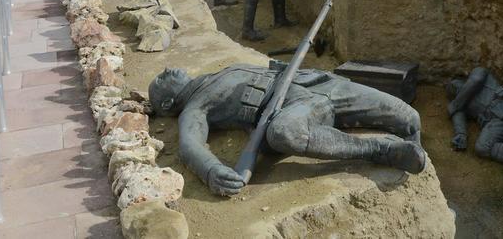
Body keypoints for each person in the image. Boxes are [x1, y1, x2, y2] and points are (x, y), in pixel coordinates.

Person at [148, 64, 427, 196]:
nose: (167, 68)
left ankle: (412, 156)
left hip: (318, 83)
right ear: (168, 102)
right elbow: (189, 144)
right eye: (161, 79)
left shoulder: (216, 73)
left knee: (410, 118)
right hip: (293, 109)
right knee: (283, 134)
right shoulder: (195, 106)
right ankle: (382, 150)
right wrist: (210, 170)